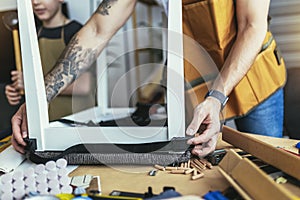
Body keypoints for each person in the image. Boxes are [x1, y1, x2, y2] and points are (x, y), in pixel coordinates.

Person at [11, 0, 285, 157]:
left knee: (266, 163)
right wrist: (39, 97)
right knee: (204, 162)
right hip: (198, 78)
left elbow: (253, 25)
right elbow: (97, 29)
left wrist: (217, 98)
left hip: (255, 75)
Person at [6, 0, 95, 121]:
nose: (36, 2)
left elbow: (84, 86)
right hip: (45, 123)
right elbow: (30, 83)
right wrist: (17, 91)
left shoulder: (76, 32)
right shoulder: (33, 35)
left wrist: (31, 85)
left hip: (75, 121)